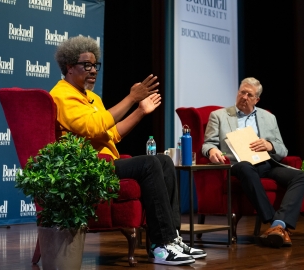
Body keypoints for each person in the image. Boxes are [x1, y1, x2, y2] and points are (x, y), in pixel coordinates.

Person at [49, 36, 206, 265]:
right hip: (86, 167)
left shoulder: (92, 98)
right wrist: (132, 98)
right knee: (150, 164)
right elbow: (93, 127)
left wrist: (141, 110)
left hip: (104, 162)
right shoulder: (61, 96)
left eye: (95, 65)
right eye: (87, 65)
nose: (93, 70)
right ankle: (162, 245)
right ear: (69, 67)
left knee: (163, 161)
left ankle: (170, 239)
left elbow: (112, 133)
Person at [202, 77, 304, 248]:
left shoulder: (268, 117)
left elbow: (283, 150)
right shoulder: (219, 116)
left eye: (249, 94)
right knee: (245, 167)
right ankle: (275, 222)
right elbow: (208, 143)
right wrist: (211, 150)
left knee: (301, 176)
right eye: (241, 92)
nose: (244, 97)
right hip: (239, 164)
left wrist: (270, 145)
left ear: (257, 99)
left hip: (266, 163)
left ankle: (278, 224)